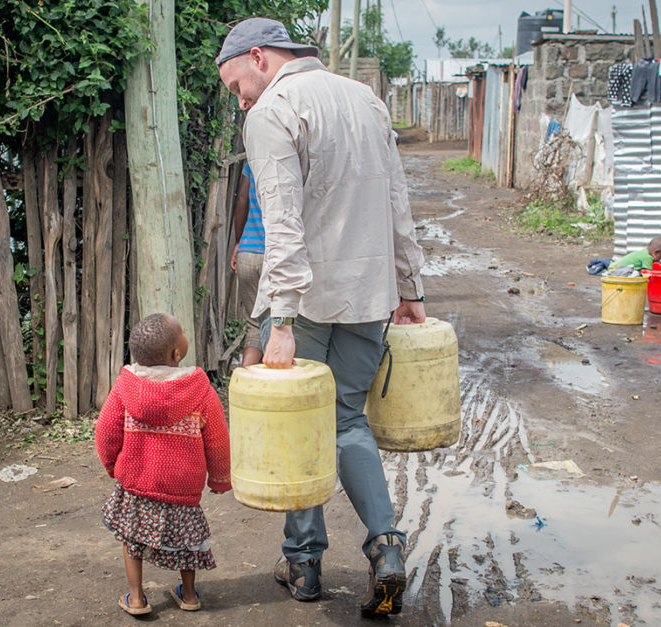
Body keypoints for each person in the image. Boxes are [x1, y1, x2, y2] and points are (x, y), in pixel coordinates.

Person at [216, 17, 426, 617]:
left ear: (259, 57)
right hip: (369, 295)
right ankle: (386, 547)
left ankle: (304, 565)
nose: (241, 99)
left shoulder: (272, 111)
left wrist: (280, 322)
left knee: (298, 425)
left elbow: (281, 225)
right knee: (348, 419)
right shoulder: (365, 99)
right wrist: (410, 285)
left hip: (304, 304)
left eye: (236, 84)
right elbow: (396, 200)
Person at [95, 313, 231, 617]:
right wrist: (220, 479)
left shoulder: (126, 388)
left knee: (133, 539)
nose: (185, 333)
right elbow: (218, 438)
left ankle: (137, 597)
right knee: (187, 541)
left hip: (138, 482)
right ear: (176, 354)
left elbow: (105, 431)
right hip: (182, 486)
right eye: (182, 331)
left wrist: (111, 465)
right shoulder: (199, 389)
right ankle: (190, 596)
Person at [230, 164, 265, 366]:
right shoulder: (292, 157)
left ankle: (245, 380)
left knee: (255, 323)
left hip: (248, 253)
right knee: (282, 323)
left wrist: (238, 241)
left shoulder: (253, 161)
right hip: (277, 255)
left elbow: (241, 199)